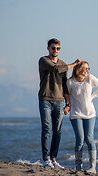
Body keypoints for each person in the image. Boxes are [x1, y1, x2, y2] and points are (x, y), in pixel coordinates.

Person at [38, 38, 80, 168]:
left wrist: (68, 103)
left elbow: (64, 85)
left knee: (58, 131)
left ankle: (53, 159)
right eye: (53, 48)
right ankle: (46, 159)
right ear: (48, 48)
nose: (55, 50)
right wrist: (74, 64)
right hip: (45, 99)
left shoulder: (63, 64)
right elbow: (55, 69)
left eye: (58, 48)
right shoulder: (43, 60)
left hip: (59, 101)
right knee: (47, 130)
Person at [65, 60, 98, 173]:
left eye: (88, 68)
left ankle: (93, 167)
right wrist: (67, 105)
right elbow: (66, 94)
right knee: (80, 139)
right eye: (84, 68)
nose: (86, 71)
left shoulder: (90, 78)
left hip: (90, 113)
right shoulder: (70, 82)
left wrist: (92, 97)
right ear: (78, 69)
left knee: (89, 138)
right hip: (76, 114)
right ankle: (78, 166)